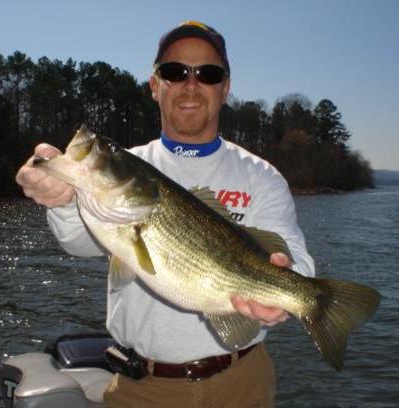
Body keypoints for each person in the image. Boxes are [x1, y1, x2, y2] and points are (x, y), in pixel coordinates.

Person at [16, 21, 314, 408]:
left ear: (225, 88)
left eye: (207, 74)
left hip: (244, 382)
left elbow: (293, 254)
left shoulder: (262, 176)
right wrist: (62, 199)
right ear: (155, 86)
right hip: (142, 387)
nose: (190, 84)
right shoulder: (134, 164)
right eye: (174, 73)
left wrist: (292, 288)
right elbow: (77, 242)